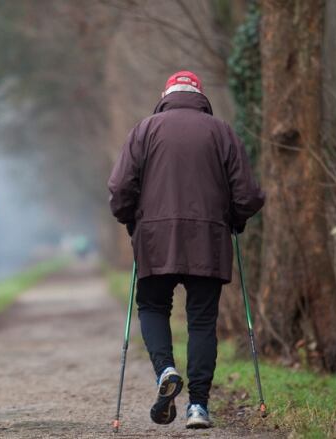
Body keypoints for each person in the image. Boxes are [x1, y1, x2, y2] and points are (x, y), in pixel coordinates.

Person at [107, 71, 264, 429]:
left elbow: (119, 188)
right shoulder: (221, 132)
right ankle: (198, 407)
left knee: (151, 305)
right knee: (202, 321)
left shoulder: (144, 130)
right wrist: (234, 221)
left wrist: (131, 220)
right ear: (200, 95)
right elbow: (248, 194)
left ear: (165, 94)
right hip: (208, 239)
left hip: (155, 239)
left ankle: (165, 369)